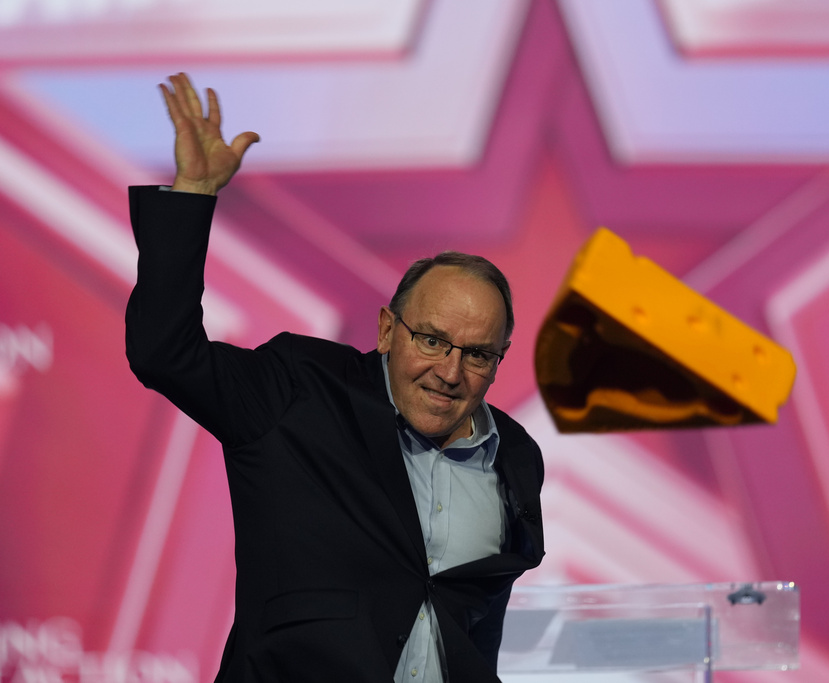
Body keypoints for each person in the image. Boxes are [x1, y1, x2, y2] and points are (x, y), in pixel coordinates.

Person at [125, 73, 544, 683]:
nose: (450, 372)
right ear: (386, 331)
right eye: (431, 340)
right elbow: (165, 352)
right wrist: (193, 194)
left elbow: (477, 624)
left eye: (478, 355)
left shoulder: (517, 456)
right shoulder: (298, 391)